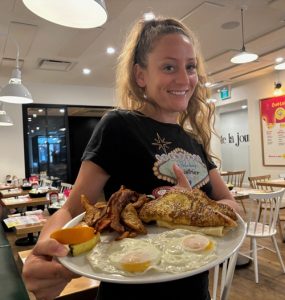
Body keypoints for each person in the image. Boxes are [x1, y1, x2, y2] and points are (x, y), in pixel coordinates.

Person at [23, 16, 239, 300]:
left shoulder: (193, 140)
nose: (185, 79)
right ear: (140, 76)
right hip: (129, 287)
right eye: (169, 67)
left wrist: (191, 206)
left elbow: (229, 205)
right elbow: (70, 209)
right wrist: (49, 251)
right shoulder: (119, 125)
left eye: (190, 67)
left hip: (195, 289)